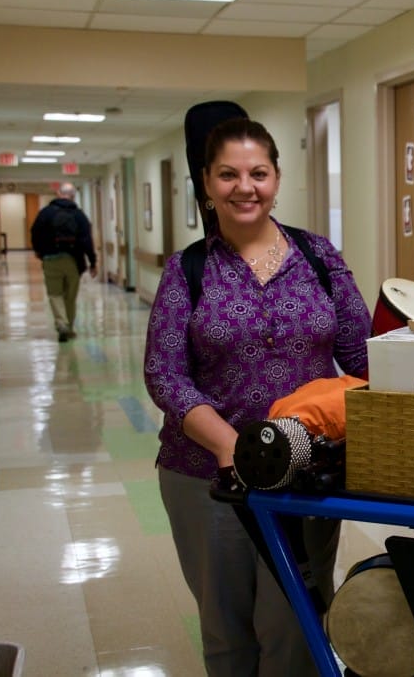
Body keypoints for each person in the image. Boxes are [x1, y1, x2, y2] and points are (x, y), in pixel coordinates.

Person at [143, 117, 371, 676]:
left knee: (296, 623)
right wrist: (229, 447)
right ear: (206, 184)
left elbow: (364, 358)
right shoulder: (188, 270)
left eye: (258, 173)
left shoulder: (319, 258)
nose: (245, 187)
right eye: (228, 175)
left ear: (276, 178)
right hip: (205, 476)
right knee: (227, 631)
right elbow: (164, 374)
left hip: (305, 474)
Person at [30, 182, 98, 341]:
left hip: (50, 259)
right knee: (70, 296)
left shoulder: (45, 213)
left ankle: (61, 324)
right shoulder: (79, 215)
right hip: (73, 260)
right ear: (73, 196)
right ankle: (69, 327)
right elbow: (87, 240)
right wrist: (93, 262)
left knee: (55, 294)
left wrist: (39, 251)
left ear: (58, 194)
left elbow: (34, 232)